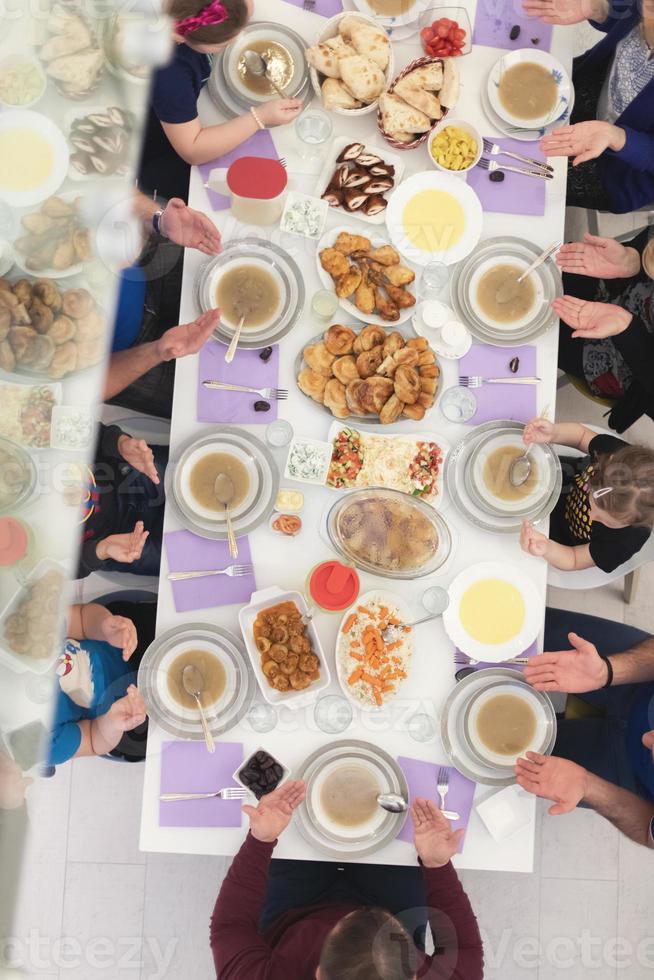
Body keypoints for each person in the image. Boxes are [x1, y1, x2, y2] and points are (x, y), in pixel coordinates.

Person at [210, 782, 484, 979]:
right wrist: (437, 865)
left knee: (298, 827)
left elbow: (230, 926)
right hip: (394, 906)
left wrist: (260, 840)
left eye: (344, 922)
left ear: (319, 973)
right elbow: (466, 949)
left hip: (293, 912)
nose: (349, 909)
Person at [516, 607, 654, 848]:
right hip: (641, 673)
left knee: (505, 756)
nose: (647, 738)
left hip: (627, 773)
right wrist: (608, 671)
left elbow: (648, 829)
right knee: (520, 625)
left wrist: (588, 786)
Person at [139, 0, 303, 201]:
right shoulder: (169, 74)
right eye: (225, 43)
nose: (238, 39)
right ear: (182, 36)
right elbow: (193, 149)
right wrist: (259, 117)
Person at [522, 0, 654, 213]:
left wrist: (617, 137)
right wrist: (595, 8)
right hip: (591, 86)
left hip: (615, 167)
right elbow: (624, 10)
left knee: (519, 177)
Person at [106, 192, 222, 419]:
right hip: (129, 357)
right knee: (223, 406)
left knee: (234, 267)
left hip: (145, 271)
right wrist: (158, 350)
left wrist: (158, 220)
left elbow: (110, 192)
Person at [519, 418, 654, 572]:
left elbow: (575, 559)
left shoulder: (623, 542)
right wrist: (554, 433)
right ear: (607, 461)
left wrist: (547, 548)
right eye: (593, 496)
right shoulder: (616, 456)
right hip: (559, 476)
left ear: (634, 522)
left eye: (605, 521)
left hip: (558, 533)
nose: (591, 515)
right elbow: (582, 436)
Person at [555, 227, 654, 432]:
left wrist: (625, 327)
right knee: (549, 266)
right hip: (621, 280)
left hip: (627, 358)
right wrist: (633, 259)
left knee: (541, 340)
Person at [48, 599, 155, 767]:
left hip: (121, 644)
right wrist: (113, 723)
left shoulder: (12, 625)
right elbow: (92, 740)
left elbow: (81, 619)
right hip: (117, 713)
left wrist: (103, 627)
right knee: (154, 741)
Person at [69, 423, 167, 579]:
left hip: (128, 471)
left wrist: (119, 443)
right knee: (194, 560)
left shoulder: (23, 430)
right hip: (114, 542)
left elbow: (85, 431)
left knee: (201, 469)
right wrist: (101, 550)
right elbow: (57, 570)